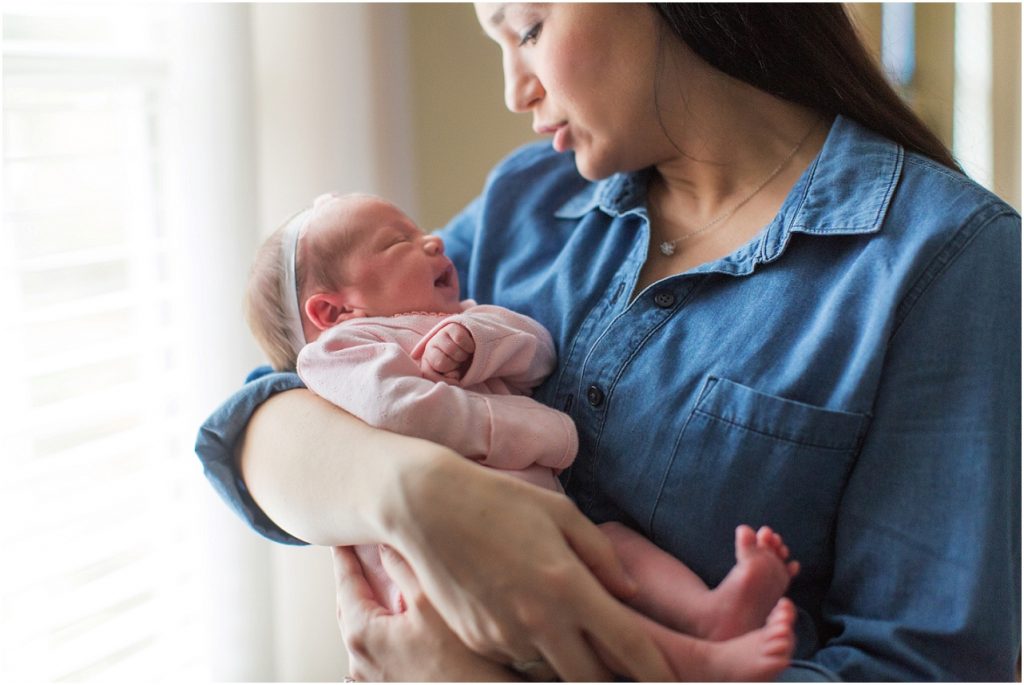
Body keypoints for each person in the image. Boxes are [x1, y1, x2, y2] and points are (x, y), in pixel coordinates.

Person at [195, 3, 1021, 680]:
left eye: (527, 29)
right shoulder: (528, 198)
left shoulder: (948, 260)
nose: (514, 90)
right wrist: (412, 491)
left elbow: (919, 665)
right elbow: (266, 410)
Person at [243, 190, 800, 680]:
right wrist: (518, 429)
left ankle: (708, 613)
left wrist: (477, 341)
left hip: (547, 522)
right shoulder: (339, 355)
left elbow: (537, 354)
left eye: (418, 231)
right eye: (397, 242)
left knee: (615, 547)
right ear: (334, 310)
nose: (434, 241)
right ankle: (691, 662)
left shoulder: (464, 315)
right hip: (448, 571)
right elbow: (399, 410)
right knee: (572, 604)